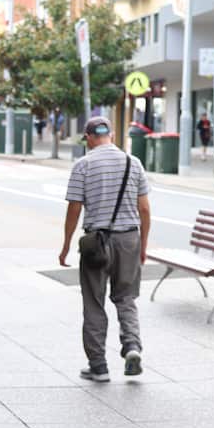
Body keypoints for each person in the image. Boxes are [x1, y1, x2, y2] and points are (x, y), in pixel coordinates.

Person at [59, 115, 151, 381]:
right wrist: (142, 245)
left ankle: (98, 366)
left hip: (96, 242)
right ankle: (132, 347)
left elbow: (74, 208)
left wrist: (65, 245)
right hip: (129, 240)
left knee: (94, 302)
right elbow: (144, 209)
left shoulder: (83, 165)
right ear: (111, 135)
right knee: (126, 298)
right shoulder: (133, 163)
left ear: (88, 137)